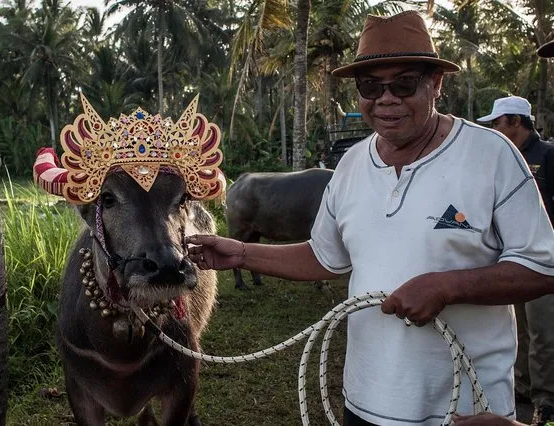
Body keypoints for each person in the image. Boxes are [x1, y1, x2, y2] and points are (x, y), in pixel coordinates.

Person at [186, 10, 554, 426]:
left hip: (465, 408)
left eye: (404, 83)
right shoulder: (351, 164)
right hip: (364, 402)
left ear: (436, 84)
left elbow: (543, 266)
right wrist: (241, 254)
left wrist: (446, 286)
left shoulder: (492, 155)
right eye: (370, 86)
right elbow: (326, 257)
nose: (386, 99)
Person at [477, 96, 554, 426]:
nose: (494, 129)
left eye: (497, 123)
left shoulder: (548, 155)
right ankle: (521, 387)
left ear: (516, 122)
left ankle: (545, 399)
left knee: (543, 332)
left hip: (542, 258)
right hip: (508, 257)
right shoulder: (505, 158)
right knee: (517, 326)